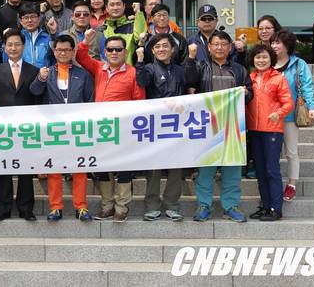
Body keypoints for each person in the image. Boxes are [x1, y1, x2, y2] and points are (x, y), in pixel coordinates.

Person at [76, 30, 146, 222]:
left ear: (125, 52)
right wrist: (86, 41)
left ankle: (121, 208)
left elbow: (140, 102)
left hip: (124, 130)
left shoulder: (133, 73)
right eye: (110, 49)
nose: (114, 53)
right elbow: (81, 57)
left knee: (124, 170)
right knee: (101, 168)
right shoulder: (99, 68)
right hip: (101, 129)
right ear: (105, 52)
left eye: (118, 49)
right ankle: (107, 206)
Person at [184, 31, 253, 223]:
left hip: (233, 126)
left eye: (224, 44)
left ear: (230, 47)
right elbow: (189, 81)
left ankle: (231, 206)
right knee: (206, 169)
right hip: (207, 127)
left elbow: (250, 94)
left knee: (232, 169)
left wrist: (246, 93)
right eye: (216, 44)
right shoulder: (201, 66)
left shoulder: (239, 69)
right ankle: (203, 205)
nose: (220, 47)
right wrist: (190, 58)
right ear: (209, 47)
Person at [30, 34, 95, 222]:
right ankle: (55, 207)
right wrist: (40, 79)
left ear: (73, 51)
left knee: (80, 168)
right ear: (54, 51)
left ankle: (81, 206)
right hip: (54, 129)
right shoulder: (47, 72)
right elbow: (34, 91)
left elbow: (90, 101)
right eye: (59, 50)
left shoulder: (83, 74)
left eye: (67, 50)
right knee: (54, 168)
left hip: (77, 128)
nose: (63, 53)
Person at [0, 29, 40, 221]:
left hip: (26, 127)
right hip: (3, 128)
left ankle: (26, 209)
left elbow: (37, 97)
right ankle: (3, 209)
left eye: (17, 44)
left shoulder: (34, 70)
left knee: (26, 170)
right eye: (10, 45)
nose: (13, 48)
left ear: (23, 46)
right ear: (4, 47)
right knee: (4, 169)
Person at [135, 33, 186, 222]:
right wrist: (140, 61)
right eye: (157, 47)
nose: (161, 49)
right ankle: (152, 205)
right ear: (152, 50)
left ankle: (172, 205)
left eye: (165, 46)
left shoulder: (180, 70)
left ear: (173, 49)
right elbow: (141, 82)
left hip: (177, 124)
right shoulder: (148, 68)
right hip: (155, 125)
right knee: (154, 168)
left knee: (176, 166)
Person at [246, 44, 294, 221]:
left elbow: (288, 103)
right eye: (258, 57)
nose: (261, 60)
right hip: (254, 130)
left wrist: (278, 114)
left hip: (272, 130)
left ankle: (276, 208)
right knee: (260, 170)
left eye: (264, 57)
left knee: (271, 170)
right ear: (253, 59)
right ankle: (265, 206)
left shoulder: (278, 78)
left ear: (271, 59)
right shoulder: (249, 78)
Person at [271, 30, 314, 202]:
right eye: (273, 42)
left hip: (290, 116)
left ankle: (292, 184)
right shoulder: (266, 62)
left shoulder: (299, 64)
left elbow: (307, 86)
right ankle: (273, 185)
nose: (274, 46)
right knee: (272, 154)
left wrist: (311, 106)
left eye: (278, 42)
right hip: (270, 116)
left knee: (291, 152)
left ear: (287, 45)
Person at [100, 0, 147, 65]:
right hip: (106, 71)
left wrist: (138, 12)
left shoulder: (132, 25)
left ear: (124, 6)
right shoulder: (102, 29)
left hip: (128, 70)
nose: (115, 8)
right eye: (112, 5)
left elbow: (140, 37)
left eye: (118, 4)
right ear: (106, 8)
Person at [64, 0, 105, 66]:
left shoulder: (100, 36)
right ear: (72, 17)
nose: (82, 16)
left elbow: (105, 60)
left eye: (85, 14)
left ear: (91, 16)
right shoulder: (64, 35)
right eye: (78, 14)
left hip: (93, 71)